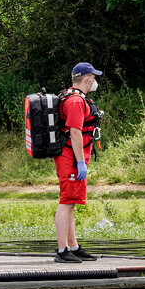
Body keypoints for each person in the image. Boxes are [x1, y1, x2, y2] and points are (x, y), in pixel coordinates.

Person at [54, 62, 103, 262]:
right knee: (66, 201)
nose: (95, 81)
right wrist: (80, 162)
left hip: (75, 156)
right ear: (87, 79)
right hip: (71, 157)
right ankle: (61, 251)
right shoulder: (75, 101)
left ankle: (72, 246)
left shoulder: (75, 97)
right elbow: (74, 132)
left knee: (71, 201)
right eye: (93, 77)